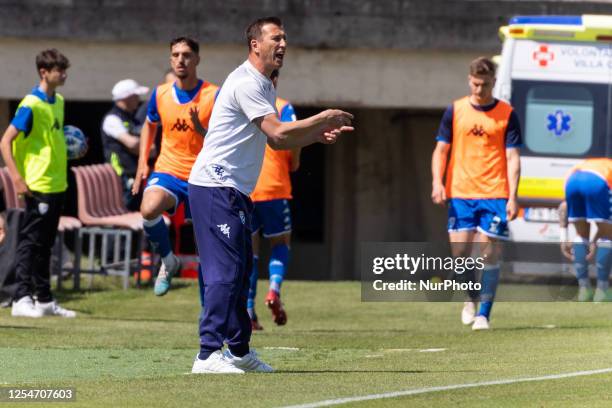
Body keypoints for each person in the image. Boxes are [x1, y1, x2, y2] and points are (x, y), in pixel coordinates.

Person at [188, 16, 354, 373]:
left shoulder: (262, 84)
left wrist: (314, 135)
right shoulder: (246, 81)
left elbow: (278, 138)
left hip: (235, 190)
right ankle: (206, 354)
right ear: (255, 45)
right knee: (226, 271)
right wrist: (322, 117)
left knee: (244, 267)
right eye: (276, 38)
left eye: (285, 39)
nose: (283, 45)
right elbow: (278, 133)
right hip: (215, 186)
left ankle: (238, 351)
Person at [431, 57, 521, 331]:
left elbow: (513, 157)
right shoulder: (455, 110)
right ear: (469, 80)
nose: (479, 90)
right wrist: (437, 182)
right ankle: (471, 298)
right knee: (459, 256)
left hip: (495, 193)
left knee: (489, 254)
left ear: (493, 82)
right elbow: (441, 150)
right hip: (461, 193)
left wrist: (513, 196)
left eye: (484, 85)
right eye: (474, 84)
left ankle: (483, 315)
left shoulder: (507, 113)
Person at [131, 37, 219, 296]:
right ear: (171, 59)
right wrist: (141, 165)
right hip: (168, 169)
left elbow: (223, 135)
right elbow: (150, 124)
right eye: (176, 55)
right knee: (148, 208)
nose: (181, 59)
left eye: (187, 55)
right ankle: (168, 260)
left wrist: (201, 129)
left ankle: (209, 317)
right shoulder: (160, 93)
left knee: (207, 249)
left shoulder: (213, 95)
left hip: (202, 175)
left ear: (197, 60)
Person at [0, 49, 76, 318]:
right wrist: (17, 178)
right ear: (44, 72)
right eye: (60, 70)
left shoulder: (59, 101)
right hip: (37, 184)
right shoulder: (30, 104)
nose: (64, 74)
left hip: (57, 183)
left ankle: (43, 299)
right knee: (30, 242)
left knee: (46, 242)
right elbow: (5, 141)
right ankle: (21, 298)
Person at [248, 69, 301, 330]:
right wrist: (296, 160)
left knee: (250, 251)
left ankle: (248, 310)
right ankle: (273, 289)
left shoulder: (241, 103)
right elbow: (293, 138)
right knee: (280, 243)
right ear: (276, 80)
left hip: (246, 188)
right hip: (274, 187)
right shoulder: (283, 107)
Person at [559, 158, 612, 302]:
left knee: (581, 235)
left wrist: (563, 237)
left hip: (573, 182)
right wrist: (596, 241)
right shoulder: (607, 172)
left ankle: (584, 290)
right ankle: (602, 291)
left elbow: (563, 208)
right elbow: (606, 227)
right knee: (608, 236)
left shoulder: (588, 164)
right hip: (598, 182)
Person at [101, 79, 149, 211]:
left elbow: (150, 148)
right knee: (129, 211)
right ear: (126, 98)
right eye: (136, 96)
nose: (138, 99)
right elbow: (132, 144)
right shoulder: (112, 119)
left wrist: (143, 146)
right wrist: (144, 146)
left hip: (135, 176)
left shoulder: (131, 118)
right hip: (121, 178)